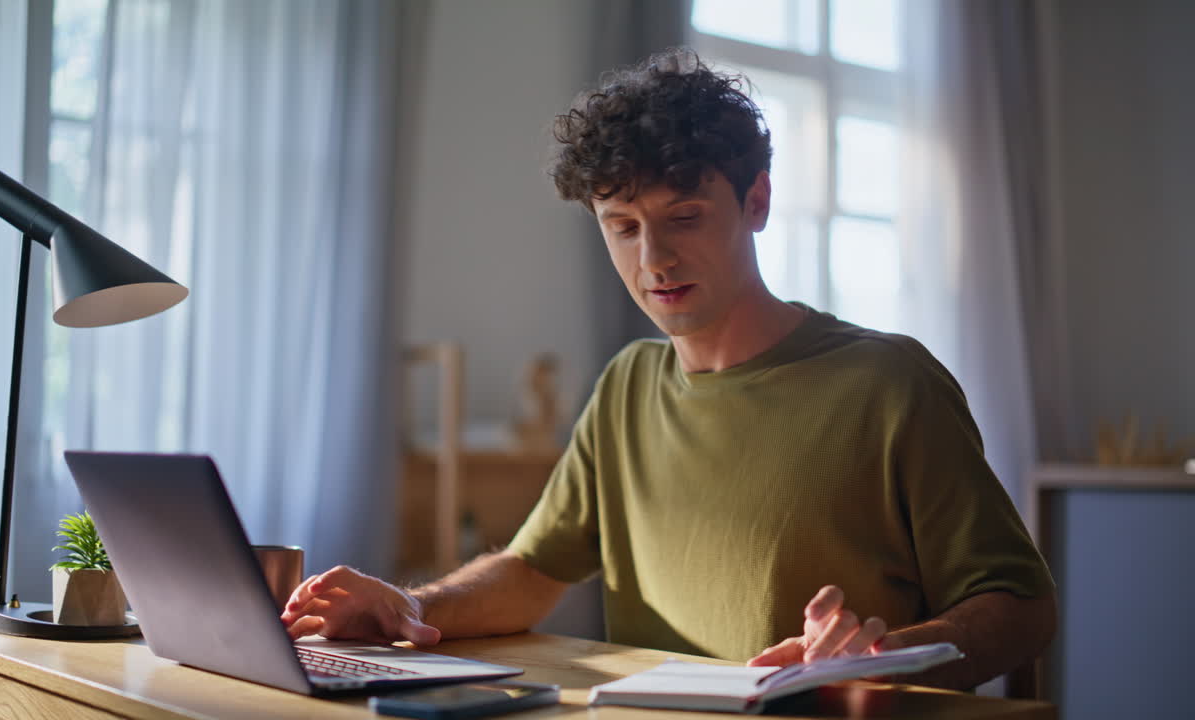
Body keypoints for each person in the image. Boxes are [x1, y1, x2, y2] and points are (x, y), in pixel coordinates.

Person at [280, 49, 1056, 691]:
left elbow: (1022, 606)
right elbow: (533, 570)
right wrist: (405, 610)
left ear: (757, 202)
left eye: (684, 217)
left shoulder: (890, 385)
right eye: (623, 227)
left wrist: (881, 657)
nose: (653, 260)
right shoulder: (627, 385)